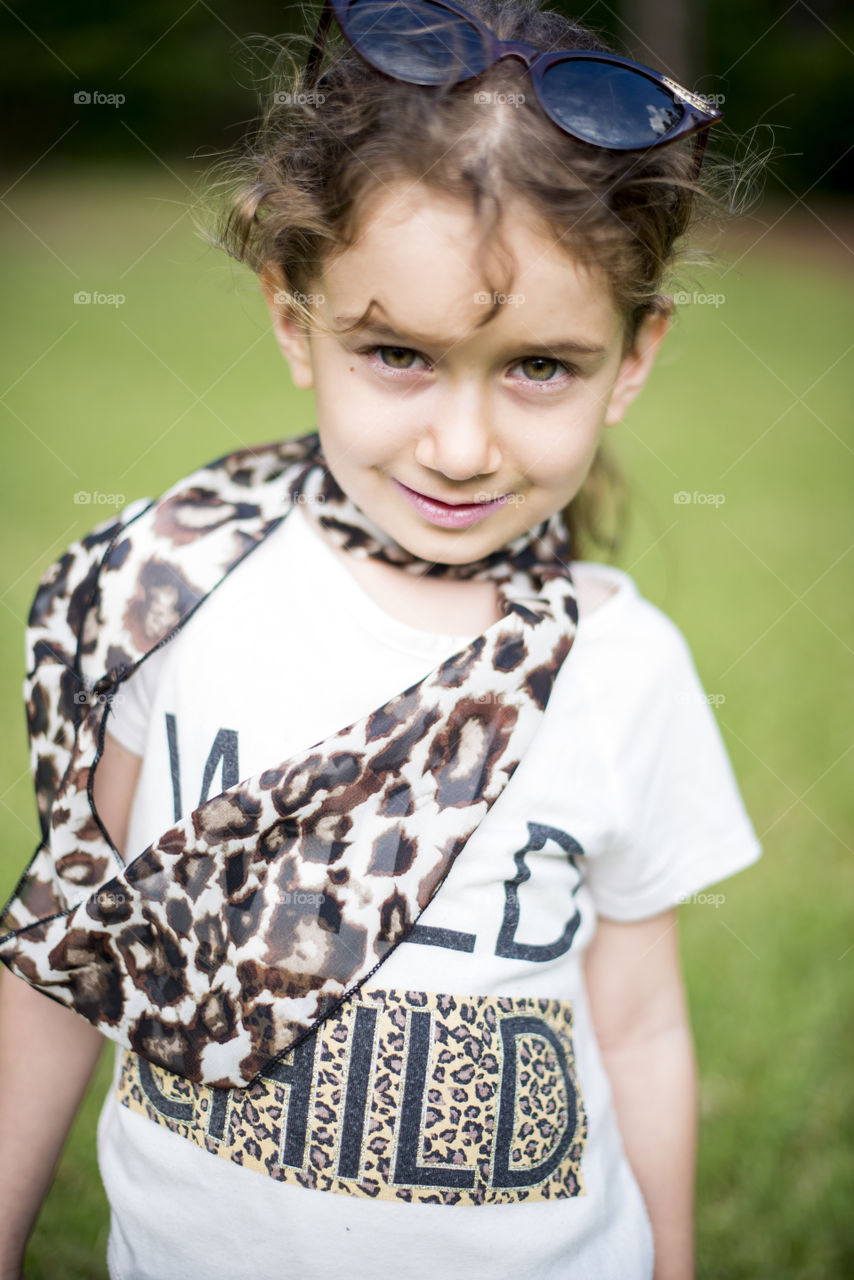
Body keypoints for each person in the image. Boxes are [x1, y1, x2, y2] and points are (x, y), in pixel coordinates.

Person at [0, 1, 761, 1277]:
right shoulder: (172, 601)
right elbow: (66, 960)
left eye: (539, 368)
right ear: (296, 321)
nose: (461, 449)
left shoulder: (627, 666)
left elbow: (636, 1027)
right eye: (398, 353)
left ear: (630, 361)